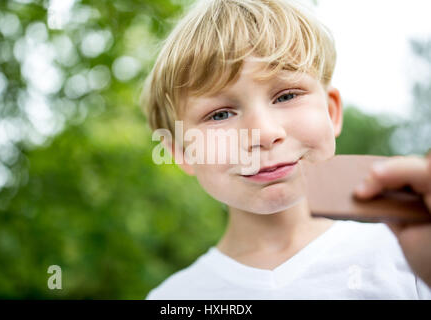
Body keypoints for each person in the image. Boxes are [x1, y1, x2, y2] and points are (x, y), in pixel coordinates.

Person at [139, 0, 431, 299]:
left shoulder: (411, 257)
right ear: (182, 152)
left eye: (286, 96)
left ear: (331, 113)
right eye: (220, 115)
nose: (264, 133)